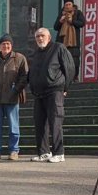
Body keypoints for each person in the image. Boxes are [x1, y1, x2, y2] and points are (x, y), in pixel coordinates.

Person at [29, 28, 74, 163]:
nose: (39, 38)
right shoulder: (36, 53)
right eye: (37, 36)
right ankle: (44, 152)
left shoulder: (58, 48)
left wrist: (65, 87)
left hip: (55, 90)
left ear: (49, 37)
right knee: (39, 123)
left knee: (55, 121)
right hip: (39, 93)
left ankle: (59, 153)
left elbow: (70, 67)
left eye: (42, 36)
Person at [0, 34, 28, 161]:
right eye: (3, 44)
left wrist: (15, 90)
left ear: (11, 45)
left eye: (8, 44)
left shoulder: (19, 58)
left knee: (14, 126)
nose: (6, 46)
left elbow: (24, 76)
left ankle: (14, 151)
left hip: (12, 98)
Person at [53, 0, 85, 82]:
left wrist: (72, 21)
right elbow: (55, 27)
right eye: (66, 4)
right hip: (62, 41)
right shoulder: (61, 14)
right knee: (62, 60)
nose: (67, 6)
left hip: (74, 42)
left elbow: (82, 23)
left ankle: (74, 77)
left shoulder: (78, 13)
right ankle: (63, 77)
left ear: (72, 4)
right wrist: (60, 21)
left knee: (74, 60)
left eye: (69, 4)